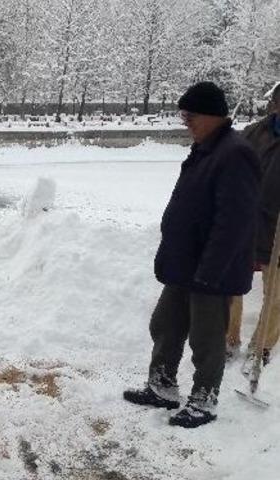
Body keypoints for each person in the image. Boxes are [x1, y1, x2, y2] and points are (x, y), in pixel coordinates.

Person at [123, 81, 260, 428]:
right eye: (183, 114)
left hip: (210, 269)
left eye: (191, 115)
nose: (185, 121)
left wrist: (211, 271)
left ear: (213, 115)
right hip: (185, 264)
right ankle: (162, 386)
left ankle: (204, 400)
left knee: (206, 338)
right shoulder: (206, 148)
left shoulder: (235, 153)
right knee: (165, 325)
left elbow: (234, 221)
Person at [227, 82, 280, 369]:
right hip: (246, 222)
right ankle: (228, 338)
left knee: (276, 295)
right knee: (231, 284)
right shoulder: (254, 133)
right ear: (274, 105)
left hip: (278, 231)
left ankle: (261, 347)